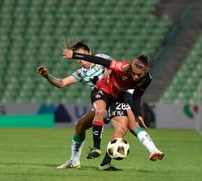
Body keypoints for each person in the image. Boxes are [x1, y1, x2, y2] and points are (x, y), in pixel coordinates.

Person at [37, 41, 163, 170]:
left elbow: (112, 64)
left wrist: (77, 56)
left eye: (82, 56)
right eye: (78, 59)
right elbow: (61, 83)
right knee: (80, 125)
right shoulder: (81, 73)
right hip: (101, 97)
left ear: (89, 53)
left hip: (117, 97)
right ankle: (74, 161)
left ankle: (108, 162)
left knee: (126, 127)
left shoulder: (103, 59)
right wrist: (47, 76)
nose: (80, 61)